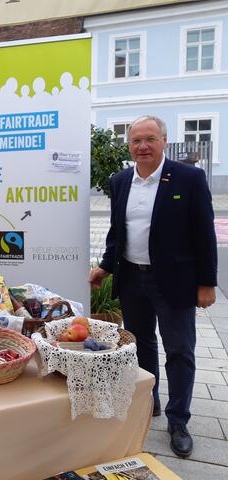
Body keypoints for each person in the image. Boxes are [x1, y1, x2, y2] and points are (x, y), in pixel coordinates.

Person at [89, 115, 217, 458]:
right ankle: (150, 402)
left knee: (179, 349)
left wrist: (207, 283)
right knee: (141, 345)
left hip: (175, 282)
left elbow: (204, 234)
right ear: (128, 146)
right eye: (136, 141)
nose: (143, 146)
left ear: (164, 140)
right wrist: (104, 267)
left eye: (150, 139)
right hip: (132, 278)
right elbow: (118, 233)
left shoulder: (189, 178)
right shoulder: (119, 181)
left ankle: (178, 420)